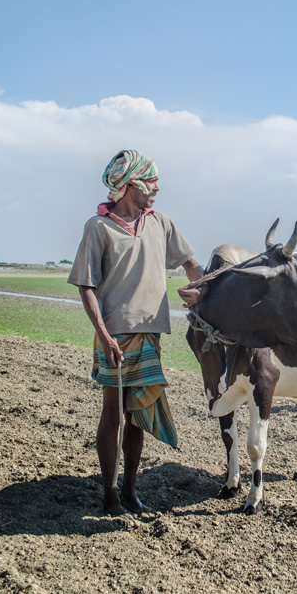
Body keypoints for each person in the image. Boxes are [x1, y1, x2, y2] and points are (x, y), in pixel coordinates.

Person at [68, 149, 204, 515]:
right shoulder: (98, 227)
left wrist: (206, 288)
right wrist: (104, 333)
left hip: (150, 334)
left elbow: (191, 264)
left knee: (137, 416)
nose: (157, 188)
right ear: (130, 186)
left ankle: (130, 490)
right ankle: (110, 494)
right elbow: (86, 286)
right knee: (112, 413)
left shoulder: (160, 222)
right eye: (151, 182)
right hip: (114, 337)